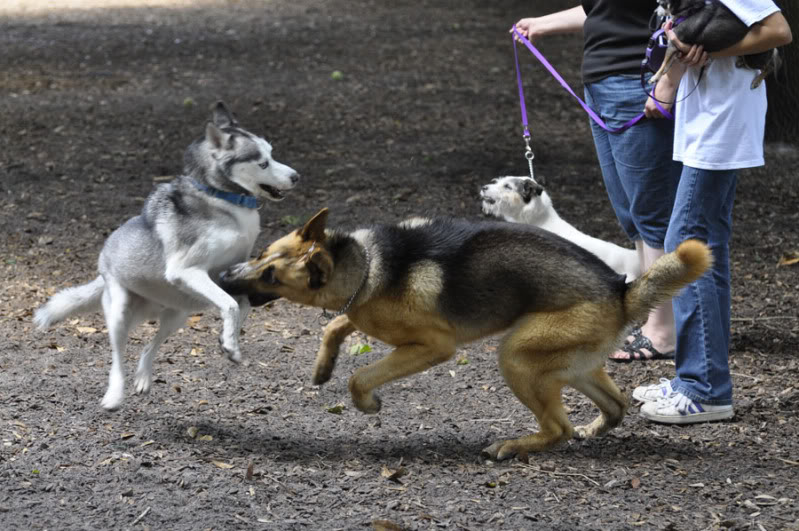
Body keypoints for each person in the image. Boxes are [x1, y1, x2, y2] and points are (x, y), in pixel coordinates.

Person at [634, 0, 792, 423]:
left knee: (686, 245)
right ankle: (697, 377)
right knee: (704, 248)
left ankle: (705, 387)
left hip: (722, 124)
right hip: (704, 119)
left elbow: (778, 30)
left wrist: (707, 50)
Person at [513, 2, 681, 362]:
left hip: (636, 84)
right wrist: (543, 24)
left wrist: (668, 81)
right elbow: (603, 9)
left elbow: (679, 16)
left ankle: (663, 331)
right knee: (630, 213)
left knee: (651, 214)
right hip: (601, 85)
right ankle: (649, 316)